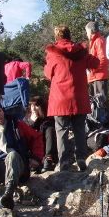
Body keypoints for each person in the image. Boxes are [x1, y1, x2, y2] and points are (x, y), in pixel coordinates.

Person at [45, 25, 98, 171]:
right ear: (69, 35)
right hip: (79, 96)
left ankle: (64, 162)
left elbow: (48, 74)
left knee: (61, 130)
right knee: (79, 129)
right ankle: (81, 158)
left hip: (60, 97)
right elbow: (96, 63)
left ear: (57, 37)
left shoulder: (53, 53)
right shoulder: (81, 51)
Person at [25, 96, 57, 172]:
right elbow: (25, 133)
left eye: (36, 106)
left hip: (46, 147)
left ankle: (48, 158)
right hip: (33, 150)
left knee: (50, 130)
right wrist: (31, 122)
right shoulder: (27, 118)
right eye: (32, 106)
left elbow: (48, 128)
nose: (33, 109)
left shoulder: (48, 118)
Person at [85, 21, 109, 115]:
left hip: (99, 76)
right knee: (95, 102)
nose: (86, 34)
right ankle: (97, 122)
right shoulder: (94, 41)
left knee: (101, 101)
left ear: (91, 31)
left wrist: (92, 70)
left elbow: (103, 59)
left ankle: (105, 123)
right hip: (94, 77)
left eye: (87, 31)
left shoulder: (99, 40)